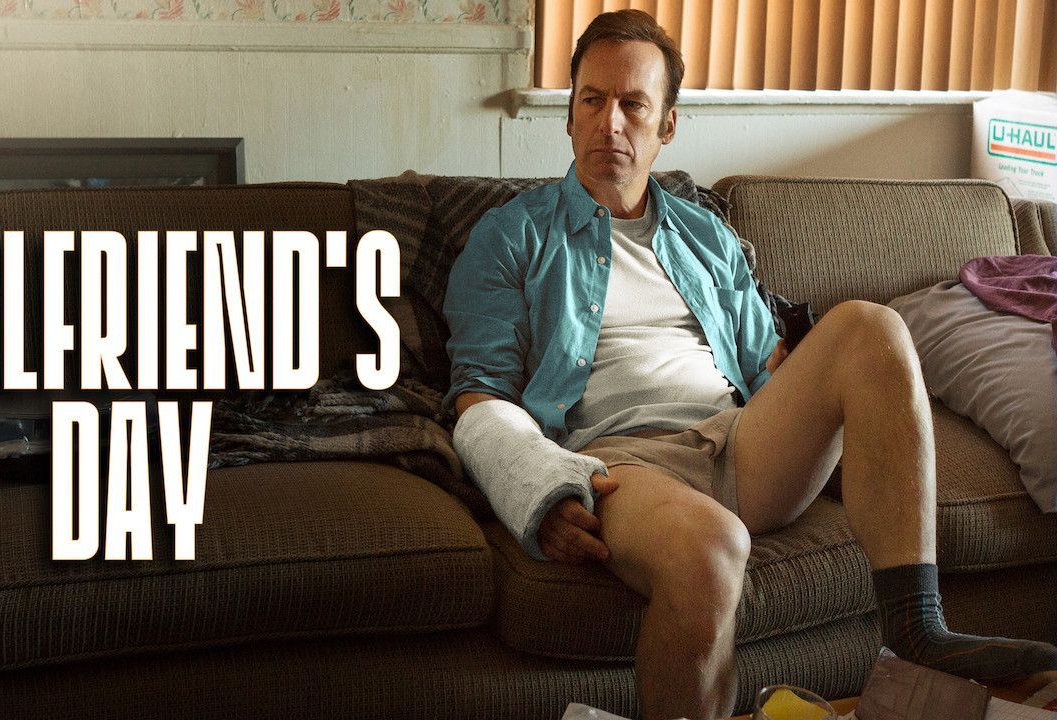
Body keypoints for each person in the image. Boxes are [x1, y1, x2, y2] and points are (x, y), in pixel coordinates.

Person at [441, 10, 1057, 720]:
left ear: (667, 124)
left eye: (633, 104)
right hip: (622, 463)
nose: (610, 123)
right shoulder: (512, 235)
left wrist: (810, 389)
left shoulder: (707, 234)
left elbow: (765, 370)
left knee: (871, 324)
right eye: (592, 99)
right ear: (570, 114)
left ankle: (918, 629)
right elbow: (478, 396)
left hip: (740, 442)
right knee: (715, 549)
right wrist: (535, 489)